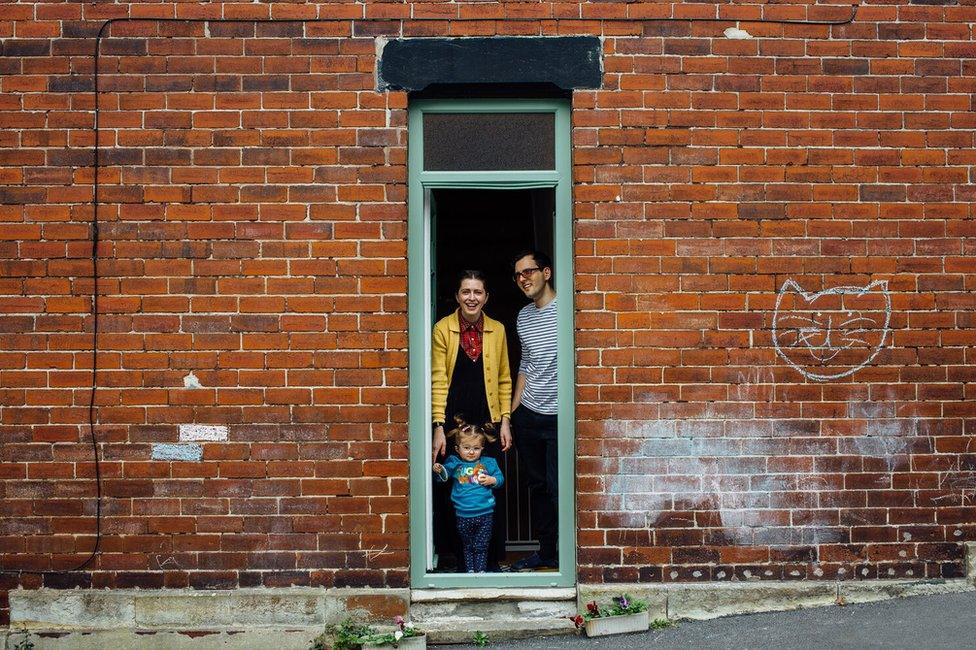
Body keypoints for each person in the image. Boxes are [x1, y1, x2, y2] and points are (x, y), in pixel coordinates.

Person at [431, 270, 513, 572]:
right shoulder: (443, 328)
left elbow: (504, 378)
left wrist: (506, 421)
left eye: (478, 292)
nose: (472, 297)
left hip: (488, 418)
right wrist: (437, 425)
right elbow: (437, 378)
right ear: (457, 296)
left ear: (486, 297)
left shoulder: (498, 329)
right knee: (453, 481)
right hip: (453, 418)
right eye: (466, 291)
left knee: (488, 481)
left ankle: (489, 562)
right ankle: (455, 561)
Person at [509, 250, 559, 571]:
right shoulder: (523, 317)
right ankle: (546, 552)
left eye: (529, 271)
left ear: (547, 272)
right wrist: (514, 412)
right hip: (528, 413)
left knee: (558, 488)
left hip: (558, 417)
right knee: (538, 489)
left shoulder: (566, 309)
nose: (523, 279)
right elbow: (525, 364)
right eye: (518, 275)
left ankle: (566, 555)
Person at [433, 419, 505, 573]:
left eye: (476, 448)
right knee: (467, 545)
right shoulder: (454, 463)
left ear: (482, 448)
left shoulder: (488, 463)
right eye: (466, 448)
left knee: (482, 545)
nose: (471, 452)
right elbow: (442, 478)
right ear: (457, 449)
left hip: (485, 513)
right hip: (463, 514)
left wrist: (492, 480)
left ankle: (480, 571)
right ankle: (469, 572)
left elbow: (500, 479)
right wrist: (439, 470)